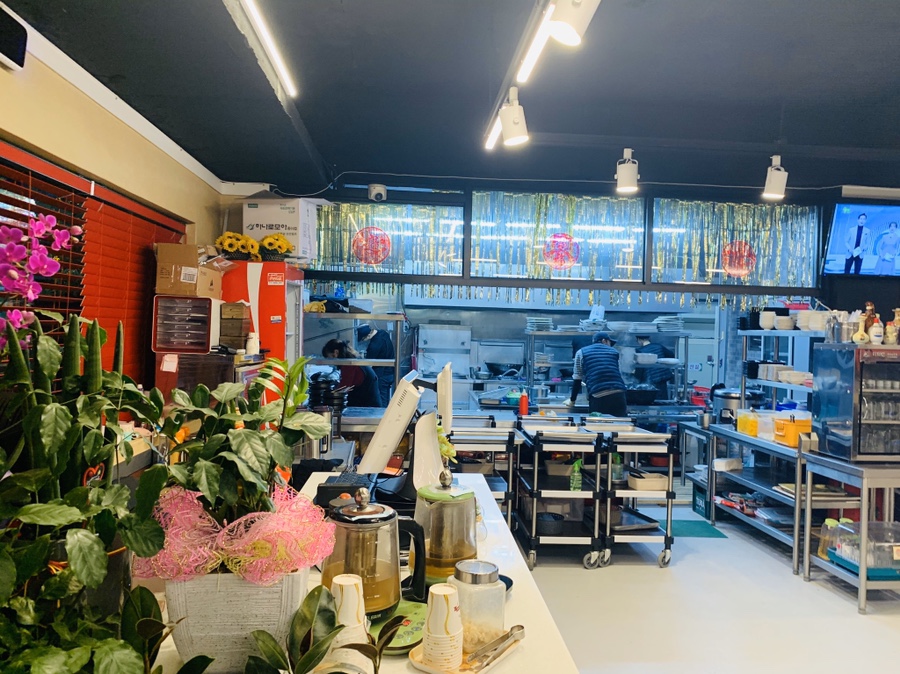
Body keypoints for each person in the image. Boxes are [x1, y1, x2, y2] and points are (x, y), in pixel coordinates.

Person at [565, 331, 627, 417]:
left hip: (598, 395)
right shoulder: (614, 352)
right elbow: (618, 373)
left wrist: (572, 400)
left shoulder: (581, 352)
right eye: (610, 343)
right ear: (604, 341)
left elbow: (577, 379)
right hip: (618, 394)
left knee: (597, 423)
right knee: (621, 423)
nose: (610, 346)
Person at [322, 339, 382, 407]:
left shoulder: (349, 365)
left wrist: (327, 395)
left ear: (336, 352)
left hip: (368, 406)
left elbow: (343, 388)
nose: (331, 363)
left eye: (330, 359)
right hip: (369, 403)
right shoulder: (353, 360)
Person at [356, 324, 395, 406]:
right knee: (385, 398)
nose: (364, 340)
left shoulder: (374, 345)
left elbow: (368, 364)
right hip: (390, 373)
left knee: (381, 400)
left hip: (382, 375)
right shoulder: (383, 333)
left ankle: (382, 414)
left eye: (363, 339)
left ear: (368, 335)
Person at [635, 335, 675, 399]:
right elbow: (671, 355)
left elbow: (639, 369)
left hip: (649, 380)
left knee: (652, 400)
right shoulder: (658, 346)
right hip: (662, 378)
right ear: (649, 338)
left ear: (639, 340)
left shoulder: (639, 351)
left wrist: (636, 379)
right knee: (663, 400)